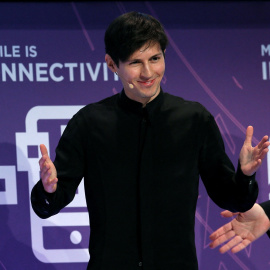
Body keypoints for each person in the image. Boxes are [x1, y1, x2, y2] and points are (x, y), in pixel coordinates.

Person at [31, 11, 269, 270]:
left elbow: (232, 199)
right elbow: (48, 205)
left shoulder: (194, 119)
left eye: (155, 58)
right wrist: (49, 189)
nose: (148, 72)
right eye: (135, 62)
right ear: (112, 64)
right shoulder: (89, 123)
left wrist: (245, 175)